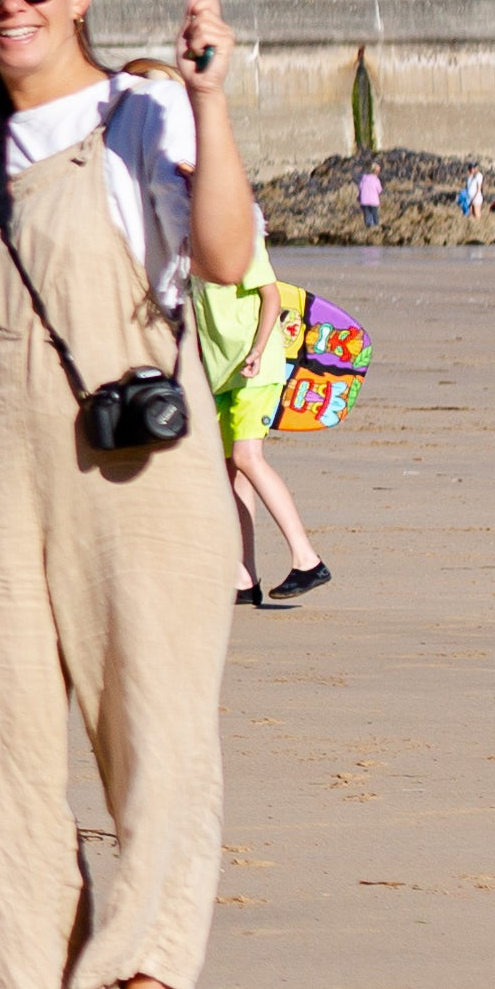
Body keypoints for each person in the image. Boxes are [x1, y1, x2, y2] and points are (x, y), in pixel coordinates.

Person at [0, 0, 258, 989]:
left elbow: (222, 258)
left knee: (155, 742)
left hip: (136, 474)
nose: (8, 6)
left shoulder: (144, 111)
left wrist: (214, 104)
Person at [137, 54, 334, 610]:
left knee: (248, 459)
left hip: (255, 364)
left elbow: (270, 294)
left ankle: (306, 557)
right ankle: (243, 576)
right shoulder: (182, 229)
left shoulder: (235, 223)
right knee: (231, 473)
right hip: (221, 368)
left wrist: (254, 353)